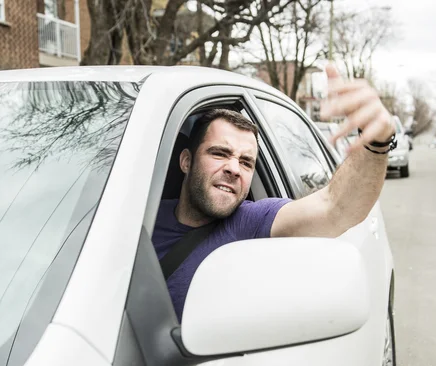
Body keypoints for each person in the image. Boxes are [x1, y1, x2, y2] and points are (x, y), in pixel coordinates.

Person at [153, 64, 396, 321]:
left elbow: (334, 207)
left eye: (246, 162)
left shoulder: (250, 222)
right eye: (220, 153)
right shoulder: (138, 218)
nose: (234, 168)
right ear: (186, 161)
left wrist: (376, 142)